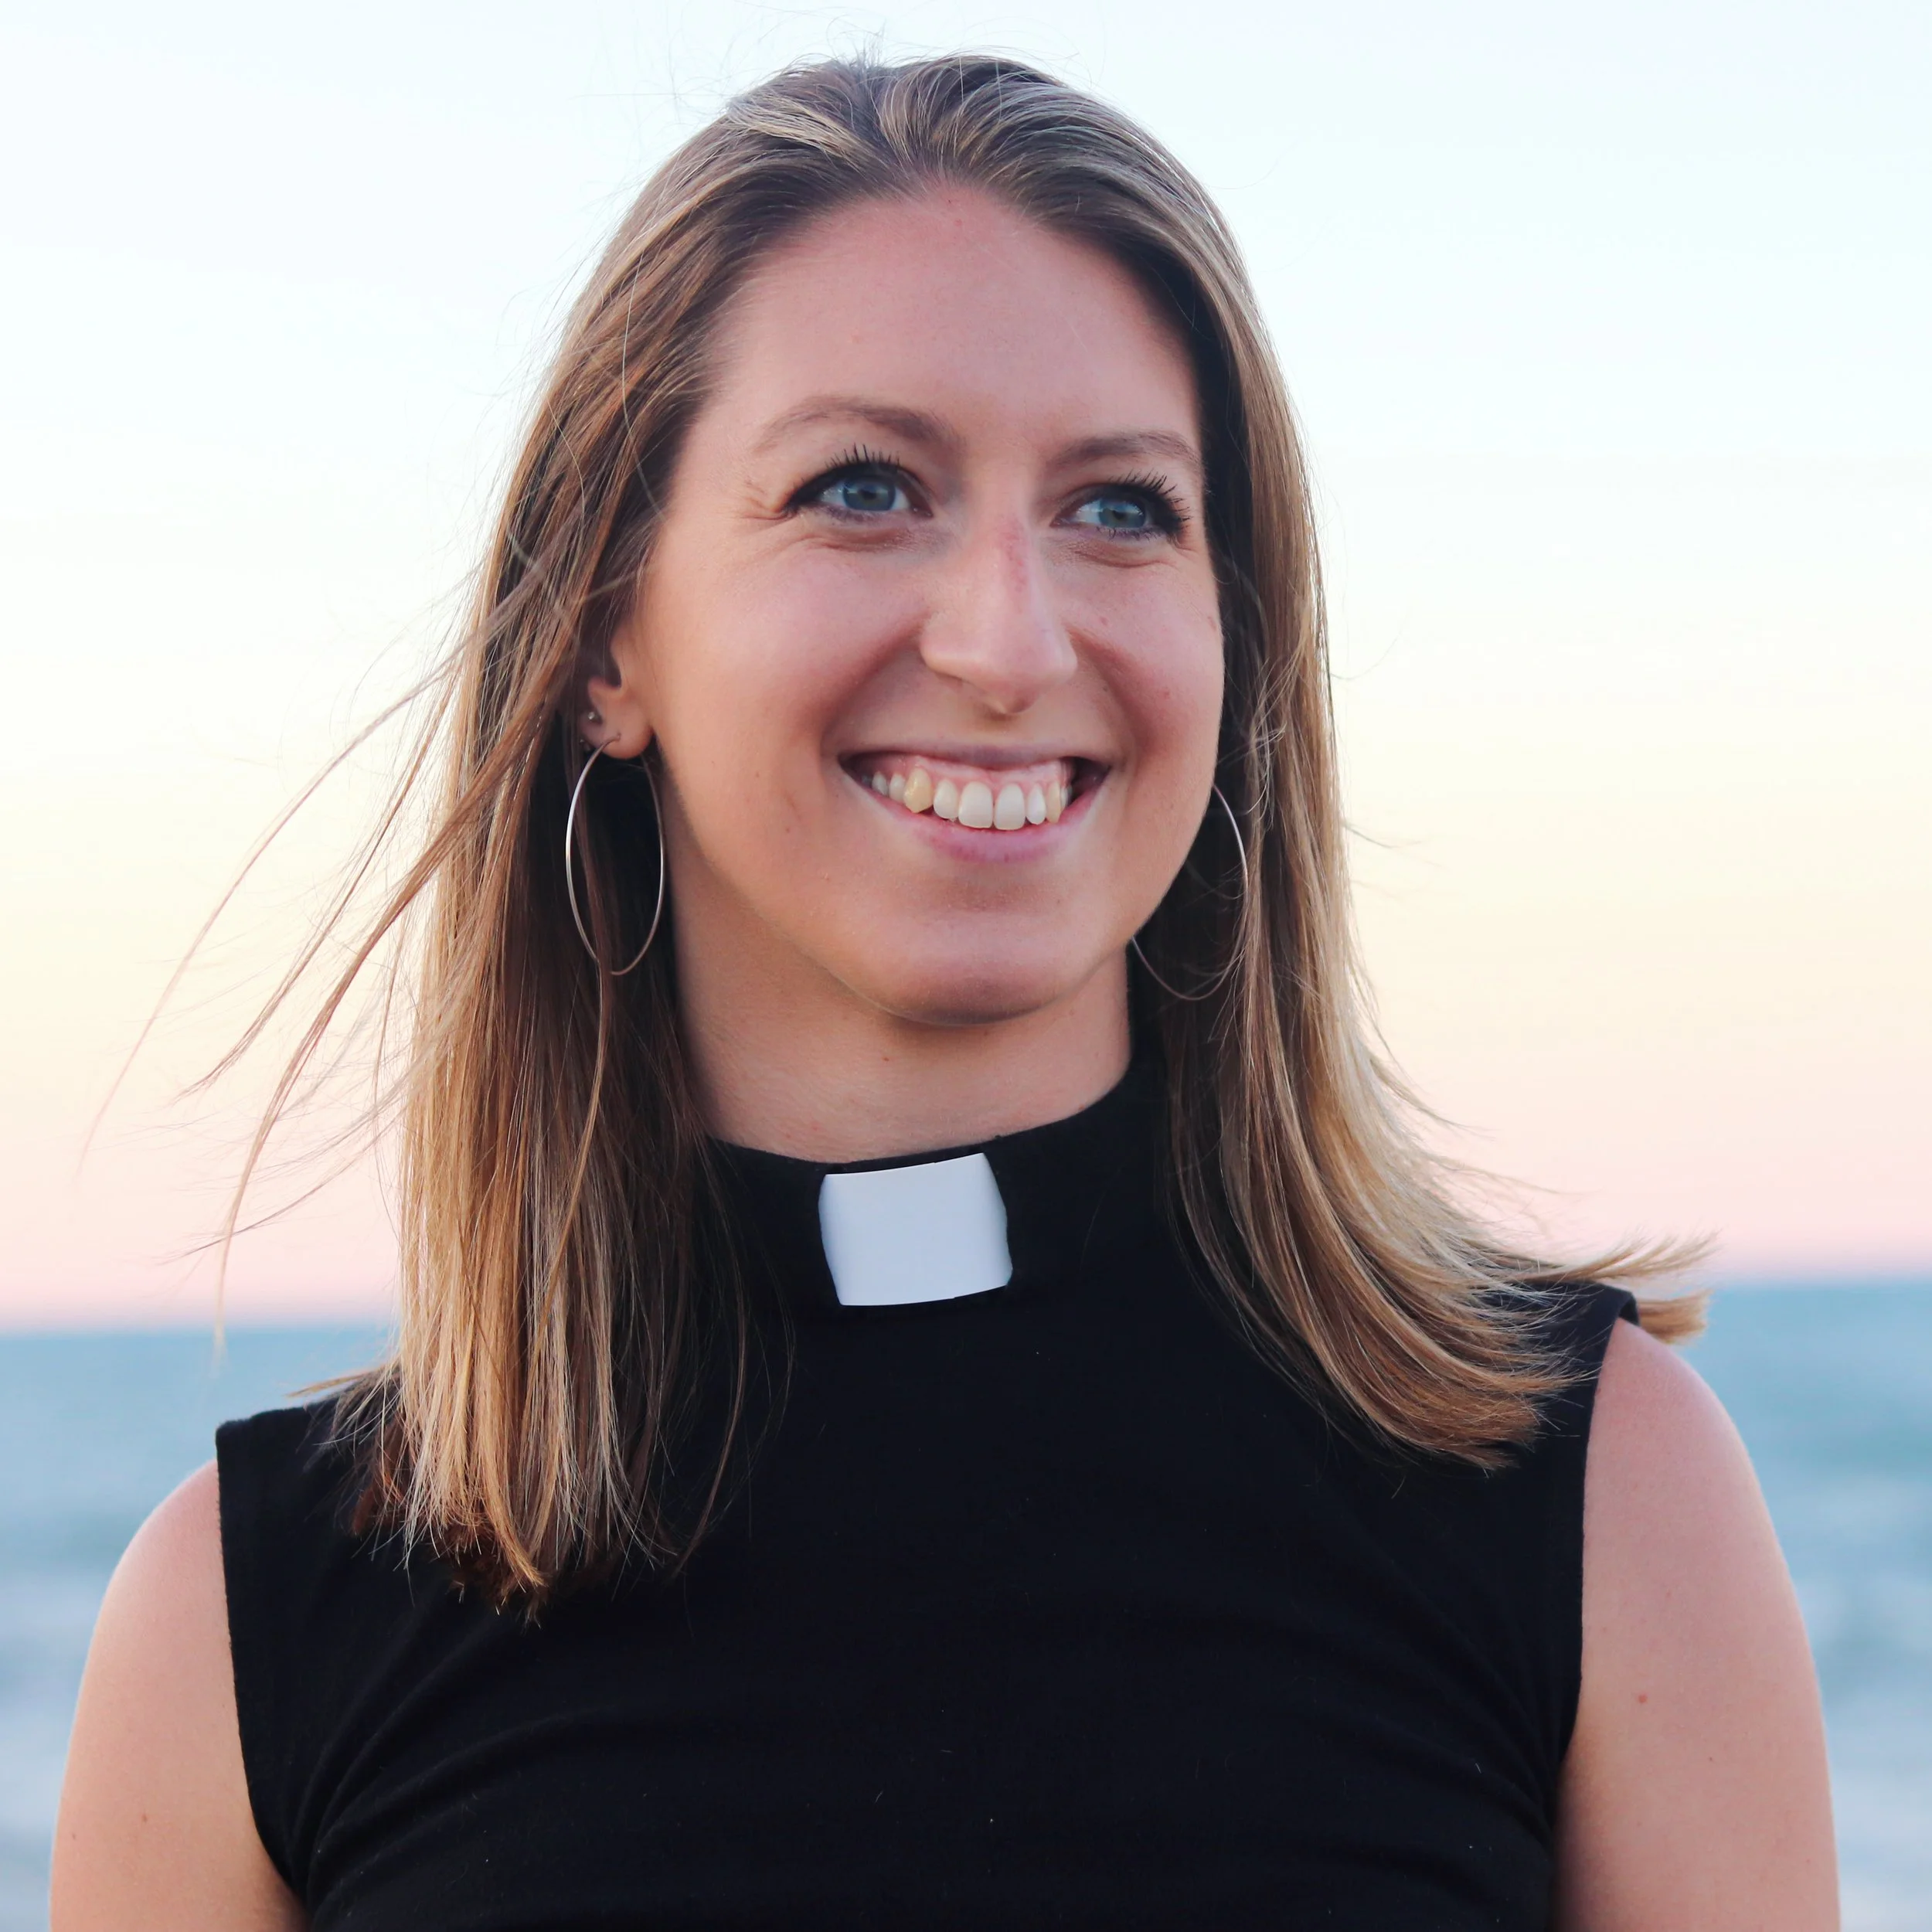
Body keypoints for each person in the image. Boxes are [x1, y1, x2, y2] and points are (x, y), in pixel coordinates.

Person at [52, 54, 1836, 1931]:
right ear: (599, 635)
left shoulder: (1600, 1502)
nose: (1006, 636)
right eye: (860, 488)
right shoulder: (240, 1632)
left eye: (1121, 508)